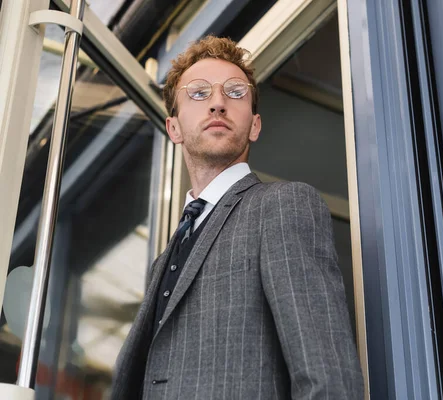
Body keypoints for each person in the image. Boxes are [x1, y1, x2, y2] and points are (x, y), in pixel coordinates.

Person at [111, 35, 364, 399]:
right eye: (198, 93)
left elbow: (328, 379)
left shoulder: (282, 206)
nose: (217, 103)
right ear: (174, 128)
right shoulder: (163, 261)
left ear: (256, 125)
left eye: (234, 92)